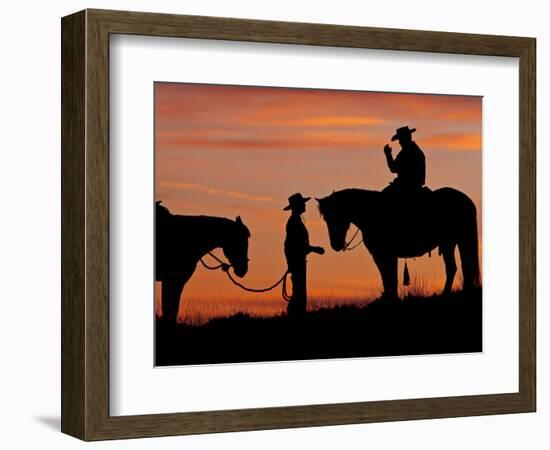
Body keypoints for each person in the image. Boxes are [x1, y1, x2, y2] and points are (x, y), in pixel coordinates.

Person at [283, 193, 325, 317]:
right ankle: (296, 315)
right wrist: (315, 249)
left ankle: (295, 314)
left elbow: (290, 245)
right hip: (297, 261)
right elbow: (295, 245)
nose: (304, 204)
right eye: (302, 203)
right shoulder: (294, 222)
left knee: (298, 290)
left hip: (297, 260)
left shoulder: (295, 221)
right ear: (297, 206)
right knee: (299, 291)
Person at [383, 126, 426, 194]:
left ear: (405, 139)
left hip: (404, 187)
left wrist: (388, 155)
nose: (399, 142)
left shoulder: (405, 153)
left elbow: (393, 169)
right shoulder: (418, 151)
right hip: (416, 187)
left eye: (400, 139)